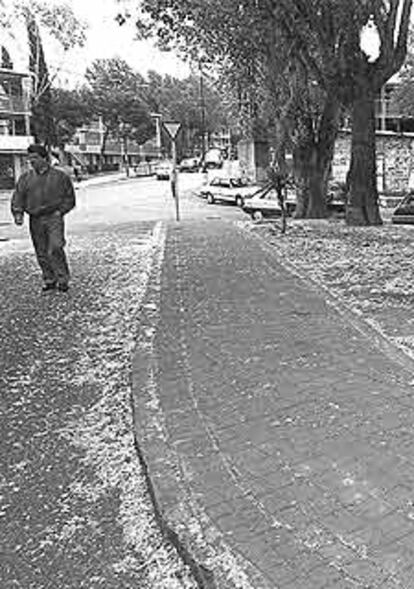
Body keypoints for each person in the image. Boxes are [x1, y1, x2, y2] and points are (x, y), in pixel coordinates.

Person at [11, 144, 76, 293]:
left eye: (35, 158)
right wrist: (18, 213)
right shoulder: (25, 178)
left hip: (54, 217)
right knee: (41, 250)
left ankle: (63, 278)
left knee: (55, 246)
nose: (32, 161)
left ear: (44, 158)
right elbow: (18, 197)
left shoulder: (60, 177)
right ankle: (49, 279)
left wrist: (61, 211)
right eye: (30, 159)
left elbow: (69, 197)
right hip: (35, 219)